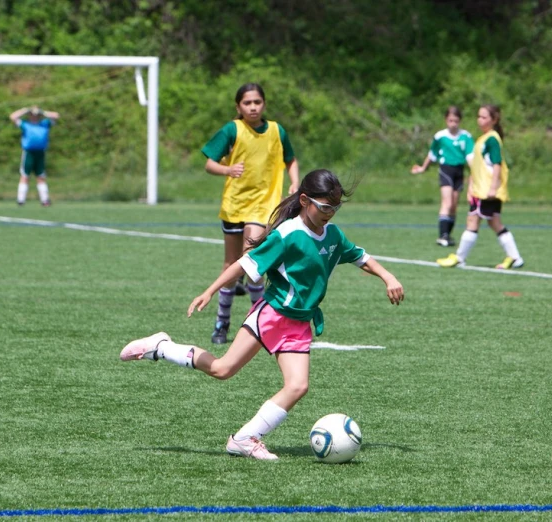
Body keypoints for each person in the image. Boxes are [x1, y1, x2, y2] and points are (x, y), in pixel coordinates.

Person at [120, 169, 404, 460]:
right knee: (222, 369)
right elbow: (243, 265)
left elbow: (360, 257)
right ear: (305, 200)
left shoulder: (332, 235)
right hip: (272, 315)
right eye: (325, 207)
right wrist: (210, 290)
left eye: (335, 207)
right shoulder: (287, 234)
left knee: (297, 386)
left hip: (300, 322)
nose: (330, 213)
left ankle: (245, 438)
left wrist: (388, 277)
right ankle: (162, 347)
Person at [201, 83, 300, 344]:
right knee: (231, 264)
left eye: (257, 102)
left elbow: (291, 159)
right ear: (238, 107)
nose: (253, 107)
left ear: (264, 104)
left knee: (252, 260)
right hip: (235, 205)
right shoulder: (232, 129)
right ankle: (222, 323)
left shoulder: (277, 130)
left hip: (264, 205)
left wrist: (294, 182)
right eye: (247, 103)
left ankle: (259, 320)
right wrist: (227, 170)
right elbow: (209, 163)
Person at [436, 104, 523, 269]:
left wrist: (493, 187)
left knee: (474, 220)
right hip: (480, 189)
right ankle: (515, 257)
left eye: (484, 117)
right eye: (479, 116)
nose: (480, 120)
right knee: (493, 223)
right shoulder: (483, 138)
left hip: (487, 190)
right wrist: (471, 185)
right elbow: (479, 165)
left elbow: (496, 164)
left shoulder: (492, 138)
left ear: (494, 119)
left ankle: (460, 257)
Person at [411, 106, 474, 247]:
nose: (453, 124)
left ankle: (448, 235)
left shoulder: (466, 136)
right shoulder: (440, 136)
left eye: (456, 121)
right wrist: (423, 168)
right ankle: (442, 235)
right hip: (446, 169)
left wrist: (475, 172)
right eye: (451, 120)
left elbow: (471, 157)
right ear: (446, 120)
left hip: (459, 171)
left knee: (454, 205)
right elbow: (432, 154)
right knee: (447, 202)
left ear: (460, 121)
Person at [9, 105, 59, 206]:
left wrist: (42, 112)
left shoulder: (44, 124)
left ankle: (45, 200)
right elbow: (13, 117)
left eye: (36, 115)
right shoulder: (25, 124)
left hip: (40, 153)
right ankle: (21, 200)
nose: (34, 117)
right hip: (29, 153)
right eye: (32, 115)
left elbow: (56, 116)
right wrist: (26, 110)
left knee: (41, 176)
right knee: (25, 175)